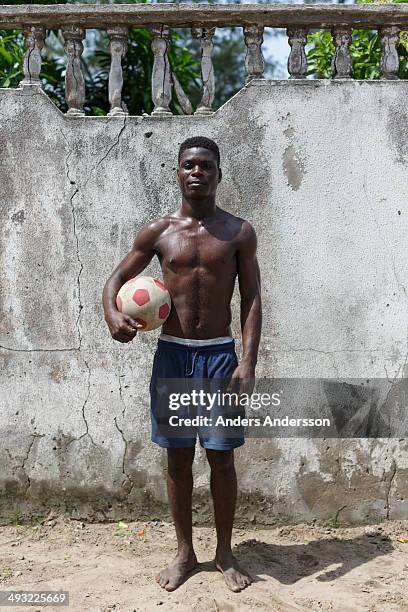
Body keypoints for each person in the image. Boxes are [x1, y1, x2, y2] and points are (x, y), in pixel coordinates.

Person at [102, 136, 262, 593]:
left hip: (219, 356)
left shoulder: (238, 232)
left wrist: (247, 361)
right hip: (173, 355)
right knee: (177, 459)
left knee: (222, 458)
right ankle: (185, 553)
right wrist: (113, 314)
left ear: (217, 173)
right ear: (178, 172)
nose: (197, 172)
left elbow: (251, 299)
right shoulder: (158, 232)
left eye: (205, 166)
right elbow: (116, 278)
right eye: (189, 165)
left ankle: (225, 553)